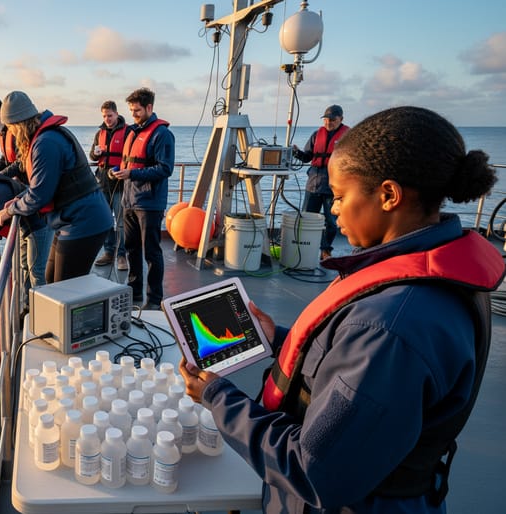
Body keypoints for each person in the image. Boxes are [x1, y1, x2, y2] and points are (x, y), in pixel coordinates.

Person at [179, 106, 504, 513]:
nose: (332, 209)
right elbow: (350, 370)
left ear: (388, 195)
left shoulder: (390, 327)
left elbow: (315, 471)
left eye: (340, 196)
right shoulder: (424, 277)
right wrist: (282, 339)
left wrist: (216, 396)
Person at [0, 90, 112, 283]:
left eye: (11, 129)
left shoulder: (46, 143)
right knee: (50, 281)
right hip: (70, 221)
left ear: (17, 125)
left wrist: (10, 210)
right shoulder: (44, 138)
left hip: (85, 222)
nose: (12, 134)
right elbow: (45, 184)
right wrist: (20, 198)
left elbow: (40, 195)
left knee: (64, 290)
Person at [0, 95, 53, 292]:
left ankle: (39, 306)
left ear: (1, 114)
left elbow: (20, 161)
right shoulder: (3, 134)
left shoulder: (19, 133)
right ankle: (28, 304)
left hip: (31, 193)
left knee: (36, 267)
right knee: (23, 262)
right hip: (21, 196)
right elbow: (6, 159)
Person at [111, 87, 174, 309]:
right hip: (129, 200)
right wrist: (118, 170)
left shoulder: (162, 134)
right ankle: (134, 291)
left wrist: (133, 173)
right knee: (131, 249)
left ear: (149, 107)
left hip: (149, 203)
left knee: (152, 252)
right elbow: (131, 161)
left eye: (137, 110)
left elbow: (165, 169)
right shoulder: (133, 131)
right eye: (131, 110)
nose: (133, 115)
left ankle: (155, 299)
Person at [292, 104, 350, 260]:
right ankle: (303, 249)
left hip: (334, 187)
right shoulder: (317, 134)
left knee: (331, 222)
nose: (328, 123)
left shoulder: (348, 137)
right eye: (326, 119)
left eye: (332, 120)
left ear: (341, 119)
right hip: (313, 184)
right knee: (307, 218)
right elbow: (307, 157)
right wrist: (296, 152)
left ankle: (325, 250)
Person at [90, 100, 130, 272]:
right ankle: (108, 252)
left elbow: (131, 156)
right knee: (105, 220)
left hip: (120, 184)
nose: (107, 119)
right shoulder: (99, 133)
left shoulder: (128, 132)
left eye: (110, 115)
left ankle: (121, 255)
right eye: (104, 116)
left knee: (121, 222)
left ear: (116, 113)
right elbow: (92, 156)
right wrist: (95, 153)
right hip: (102, 183)